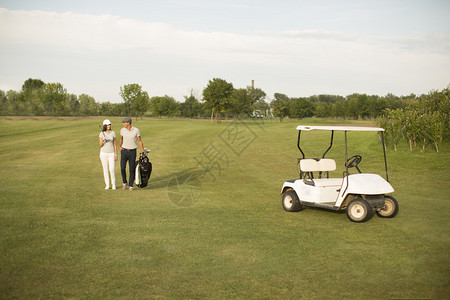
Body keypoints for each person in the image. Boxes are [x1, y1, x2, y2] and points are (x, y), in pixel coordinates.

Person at [119, 117, 145, 191]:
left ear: (128, 123)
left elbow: (139, 141)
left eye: (124, 122)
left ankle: (131, 185)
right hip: (124, 151)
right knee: (122, 168)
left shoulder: (136, 130)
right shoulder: (122, 130)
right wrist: (120, 147)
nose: (123, 124)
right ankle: (124, 182)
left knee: (131, 168)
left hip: (132, 152)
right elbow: (121, 138)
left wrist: (143, 152)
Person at [99, 119, 117, 189]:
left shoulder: (113, 133)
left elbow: (114, 144)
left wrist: (116, 154)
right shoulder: (101, 134)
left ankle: (113, 184)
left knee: (112, 169)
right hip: (103, 153)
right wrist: (103, 140)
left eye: (109, 124)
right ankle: (107, 184)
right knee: (105, 169)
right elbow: (100, 145)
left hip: (111, 153)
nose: (109, 126)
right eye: (107, 125)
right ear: (104, 126)